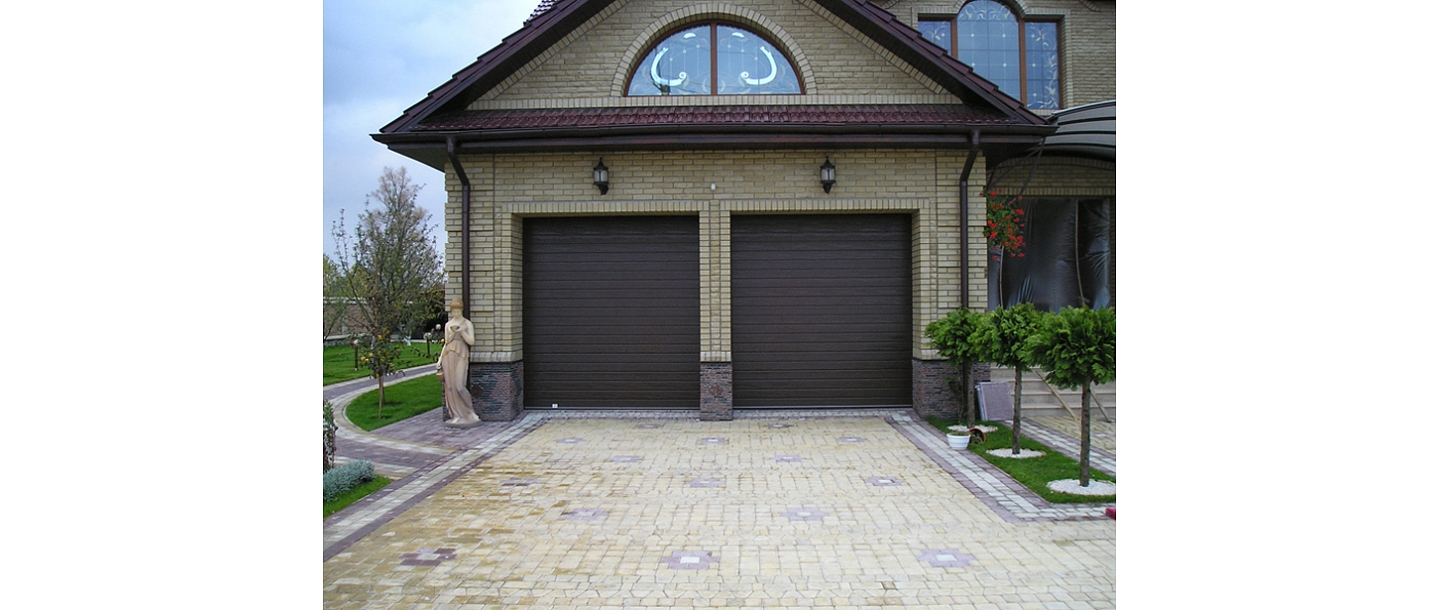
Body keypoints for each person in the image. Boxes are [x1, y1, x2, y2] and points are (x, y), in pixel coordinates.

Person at [437, 298, 481, 427]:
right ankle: (456, 414)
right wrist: (440, 359)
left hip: (461, 354)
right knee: (450, 387)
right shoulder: (447, 325)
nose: (456, 313)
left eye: (458, 311)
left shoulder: (467, 324)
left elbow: (471, 341)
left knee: (459, 386)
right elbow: (446, 343)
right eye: (454, 311)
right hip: (448, 355)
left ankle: (470, 413)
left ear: (461, 310)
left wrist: (461, 331)